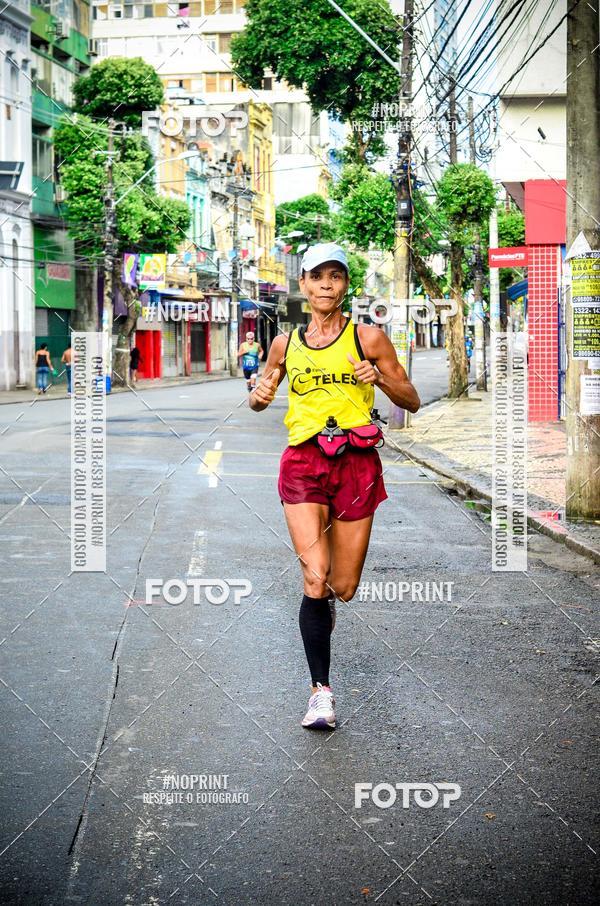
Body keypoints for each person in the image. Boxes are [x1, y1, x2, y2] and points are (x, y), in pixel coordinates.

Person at [249, 242, 420, 730]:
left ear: (346, 285)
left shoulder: (369, 338)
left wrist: (381, 381)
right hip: (303, 463)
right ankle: (320, 692)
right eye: (317, 276)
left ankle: (324, 611)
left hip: (356, 463)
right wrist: (259, 396)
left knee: (341, 587)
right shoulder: (284, 344)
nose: (326, 285)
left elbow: (411, 398)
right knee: (314, 576)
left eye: (335, 276)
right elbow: (262, 397)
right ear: (302, 284)